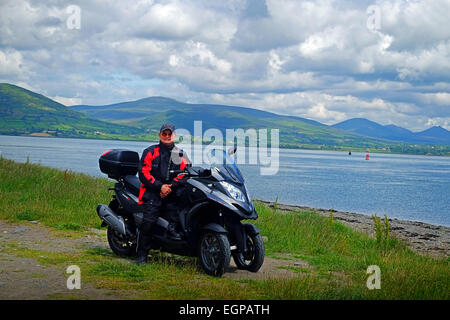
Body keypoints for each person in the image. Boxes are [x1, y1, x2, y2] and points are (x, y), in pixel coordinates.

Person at [135, 123, 190, 265]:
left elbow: (186, 172)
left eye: (169, 134)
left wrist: (171, 186)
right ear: (160, 135)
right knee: (149, 222)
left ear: (174, 136)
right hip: (152, 192)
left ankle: (172, 237)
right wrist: (160, 186)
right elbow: (143, 173)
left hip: (171, 192)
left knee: (185, 206)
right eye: (164, 134)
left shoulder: (180, 154)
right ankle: (141, 256)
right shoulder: (150, 151)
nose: (167, 136)